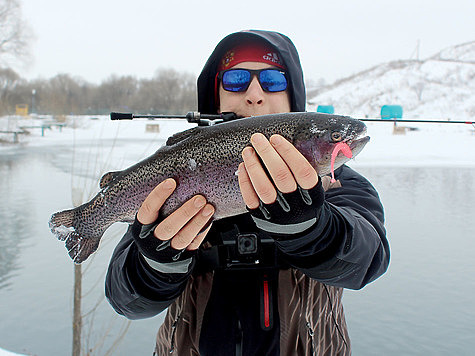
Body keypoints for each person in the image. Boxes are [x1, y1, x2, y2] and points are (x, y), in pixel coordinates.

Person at [105, 30, 390, 356]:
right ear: (216, 98)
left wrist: (314, 229)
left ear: (293, 99)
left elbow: (368, 262)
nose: (254, 94)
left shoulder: (340, 186)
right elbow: (126, 301)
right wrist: (155, 264)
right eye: (237, 80)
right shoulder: (174, 176)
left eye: (272, 80)